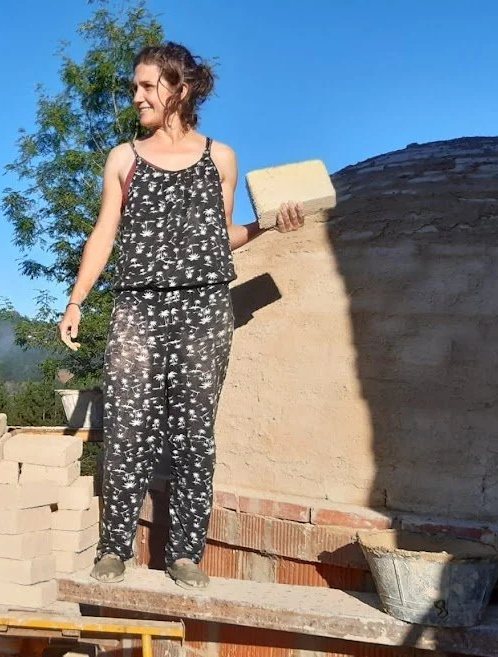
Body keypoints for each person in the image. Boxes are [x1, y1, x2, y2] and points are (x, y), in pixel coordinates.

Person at [58, 42, 305, 589]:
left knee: (194, 430)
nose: (137, 95)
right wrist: (77, 299)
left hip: (203, 306)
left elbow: (222, 237)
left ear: (180, 90)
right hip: (137, 305)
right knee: (127, 426)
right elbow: (106, 231)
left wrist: (268, 226)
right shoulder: (124, 157)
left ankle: (185, 554)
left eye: (148, 86)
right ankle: (114, 548)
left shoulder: (221, 157)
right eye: (135, 86)